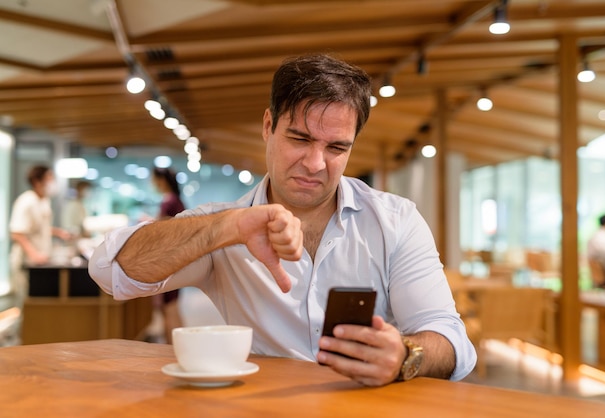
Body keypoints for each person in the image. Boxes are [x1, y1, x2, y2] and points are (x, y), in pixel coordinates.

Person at [89, 54, 476, 386]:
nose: (315, 163)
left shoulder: (395, 221)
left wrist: (405, 355)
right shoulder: (223, 226)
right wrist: (229, 228)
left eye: (336, 147)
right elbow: (110, 271)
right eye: (300, 139)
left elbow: (452, 342)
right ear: (268, 126)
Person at [10, 165, 72, 305]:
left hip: (39, 263)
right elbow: (17, 233)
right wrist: (34, 254)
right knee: (25, 304)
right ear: (37, 182)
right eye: (49, 178)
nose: (53, 182)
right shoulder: (26, 201)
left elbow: (39, 227)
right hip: (26, 263)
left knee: (39, 304)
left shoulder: (44, 201)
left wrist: (58, 232)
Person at [149, 167, 186, 343]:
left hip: (168, 261)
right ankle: (181, 344)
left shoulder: (169, 202)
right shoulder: (176, 201)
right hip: (176, 259)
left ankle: (172, 348)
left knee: (169, 308)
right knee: (173, 307)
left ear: (161, 181)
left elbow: (164, 230)